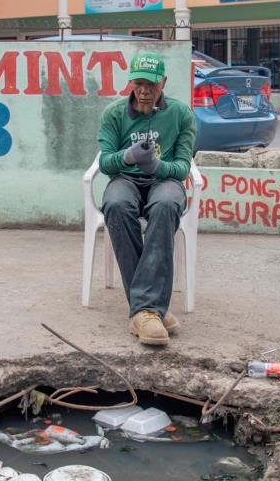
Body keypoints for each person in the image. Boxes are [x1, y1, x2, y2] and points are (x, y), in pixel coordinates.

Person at [97, 51, 196, 346]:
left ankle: (143, 310)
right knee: (115, 204)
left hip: (163, 181)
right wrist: (127, 156)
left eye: (151, 85)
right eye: (139, 83)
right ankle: (150, 309)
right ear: (131, 82)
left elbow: (182, 168)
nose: (144, 91)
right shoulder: (114, 114)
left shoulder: (181, 114)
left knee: (166, 205)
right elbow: (105, 163)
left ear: (163, 82)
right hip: (125, 179)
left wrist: (156, 165)